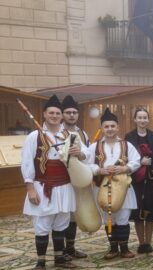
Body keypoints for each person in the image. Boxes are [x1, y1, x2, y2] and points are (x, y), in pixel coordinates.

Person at [22, 95, 81, 269]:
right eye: (51, 113)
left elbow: (85, 157)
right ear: (45, 115)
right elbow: (27, 162)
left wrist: (80, 153)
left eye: (57, 113)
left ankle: (60, 259)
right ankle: (41, 261)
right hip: (43, 186)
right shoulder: (35, 136)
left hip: (64, 186)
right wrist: (30, 188)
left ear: (61, 116)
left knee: (61, 223)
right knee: (42, 224)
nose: (54, 116)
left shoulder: (70, 135)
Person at [86, 108, 139, 260]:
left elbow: (136, 161)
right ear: (102, 128)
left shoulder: (127, 145)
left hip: (123, 188)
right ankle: (113, 248)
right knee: (109, 219)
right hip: (102, 187)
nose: (109, 129)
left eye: (112, 126)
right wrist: (99, 170)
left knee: (122, 218)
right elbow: (87, 164)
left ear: (118, 127)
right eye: (106, 126)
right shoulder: (94, 147)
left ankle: (124, 248)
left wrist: (125, 168)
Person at [125, 108, 153, 254]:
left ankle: (149, 242)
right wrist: (141, 162)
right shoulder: (129, 137)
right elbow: (126, 157)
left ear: (148, 120)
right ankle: (141, 243)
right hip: (135, 181)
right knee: (138, 213)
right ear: (135, 120)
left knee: (150, 212)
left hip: (152, 180)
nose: (142, 120)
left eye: (144, 117)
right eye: (139, 117)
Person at [60, 95, 89, 260]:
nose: (71, 115)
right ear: (63, 114)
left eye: (74, 112)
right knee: (62, 214)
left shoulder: (82, 134)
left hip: (77, 180)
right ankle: (60, 250)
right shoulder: (58, 133)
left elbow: (89, 154)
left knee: (73, 215)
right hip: (61, 180)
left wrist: (82, 154)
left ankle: (70, 248)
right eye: (68, 112)